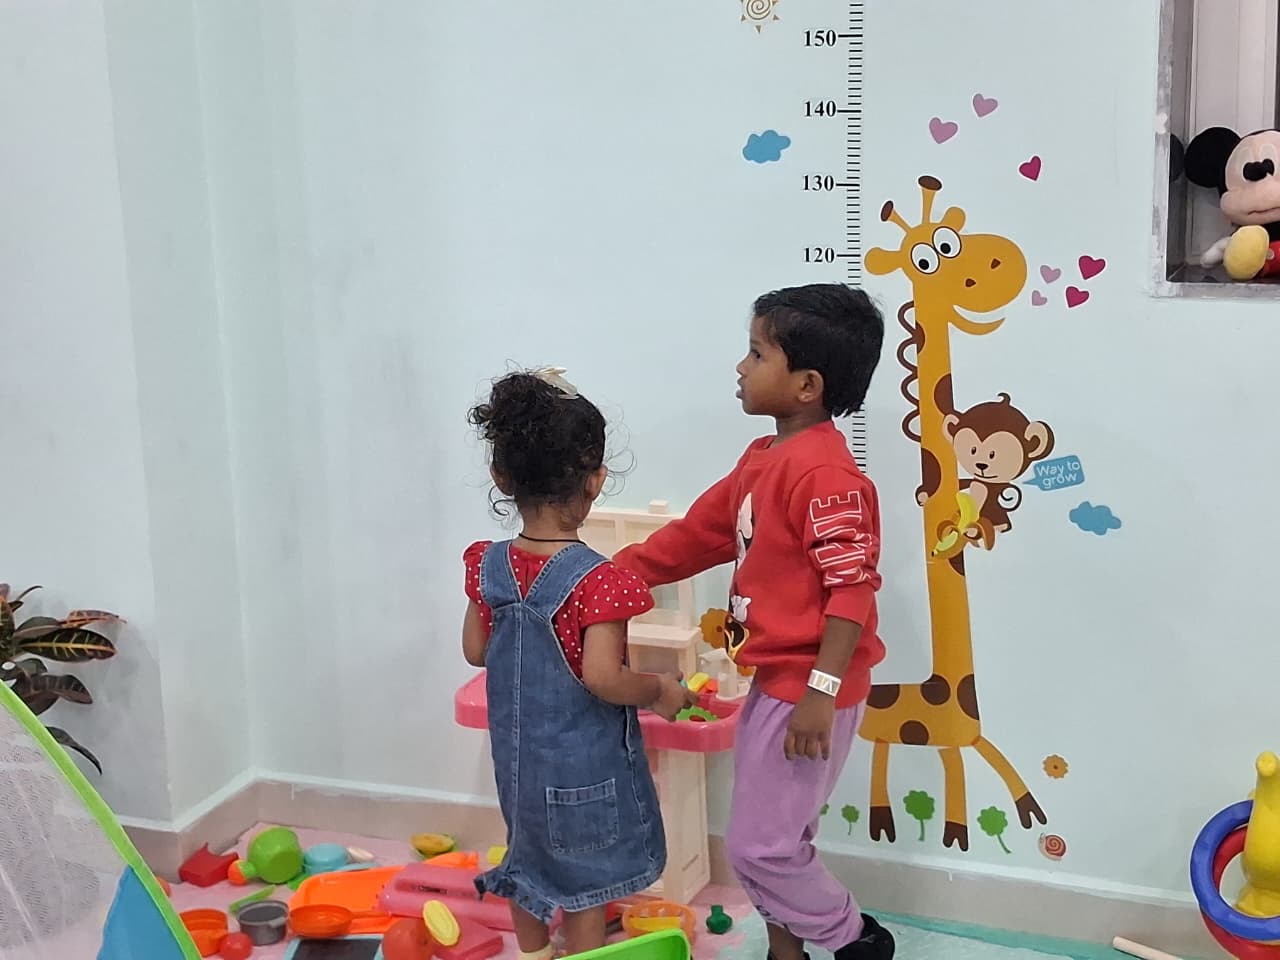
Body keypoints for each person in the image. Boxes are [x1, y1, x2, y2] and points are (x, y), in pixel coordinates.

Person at [614, 284, 895, 960]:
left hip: (809, 688)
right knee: (778, 836)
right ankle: (785, 950)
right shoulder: (762, 462)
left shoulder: (828, 477)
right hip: (779, 681)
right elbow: (694, 537)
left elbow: (852, 593)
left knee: (759, 847)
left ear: (806, 385)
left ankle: (856, 939)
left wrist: (819, 697)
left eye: (755, 353)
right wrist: (606, 578)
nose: (740, 367)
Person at [462, 368, 696, 960]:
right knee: (587, 883)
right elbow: (603, 677)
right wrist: (660, 690)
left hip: (519, 769)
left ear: (502, 476)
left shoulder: (488, 564)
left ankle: (535, 952)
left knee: (528, 862)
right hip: (582, 771)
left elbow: (475, 650)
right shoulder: (599, 582)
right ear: (595, 480)